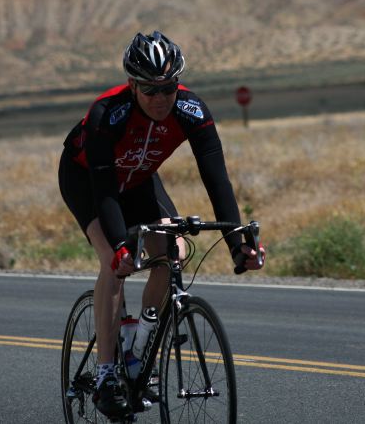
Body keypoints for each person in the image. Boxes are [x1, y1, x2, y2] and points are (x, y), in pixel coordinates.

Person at [58, 30, 265, 418]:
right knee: (114, 260)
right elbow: (105, 190)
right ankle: (105, 373)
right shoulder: (107, 114)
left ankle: (140, 341)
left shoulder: (192, 110)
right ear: (133, 85)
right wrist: (120, 246)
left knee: (174, 251)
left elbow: (217, 181)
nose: (160, 99)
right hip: (88, 181)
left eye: (168, 87)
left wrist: (239, 244)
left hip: (138, 181)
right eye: (150, 90)